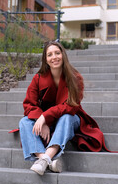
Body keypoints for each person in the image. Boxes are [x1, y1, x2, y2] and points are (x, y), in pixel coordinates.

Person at [19, 41, 109, 176]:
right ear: (45, 59)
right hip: (47, 120)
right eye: (49, 55)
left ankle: (46, 157)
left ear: (63, 55)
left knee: (66, 117)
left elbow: (71, 106)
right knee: (24, 122)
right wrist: (41, 119)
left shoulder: (75, 77)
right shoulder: (38, 78)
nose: (54, 57)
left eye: (57, 53)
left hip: (70, 118)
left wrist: (45, 117)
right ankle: (46, 159)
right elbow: (29, 104)